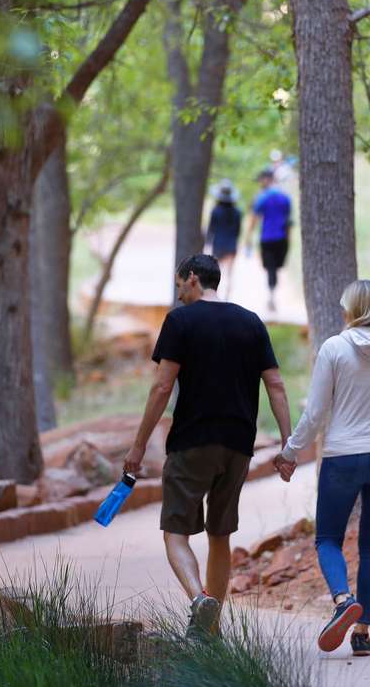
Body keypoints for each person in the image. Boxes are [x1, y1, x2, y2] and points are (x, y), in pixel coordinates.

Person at [124, 254, 292, 637]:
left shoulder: (180, 321)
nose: (178, 291)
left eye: (180, 283)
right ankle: (210, 631)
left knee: (175, 532)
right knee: (220, 535)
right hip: (237, 445)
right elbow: (276, 385)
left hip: (191, 443)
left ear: (194, 279)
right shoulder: (251, 322)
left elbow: (163, 386)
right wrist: (287, 444)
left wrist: (138, 446)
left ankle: (199, 600)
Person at [273, 280, 370, 657]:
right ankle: (361, 634)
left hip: (343, 456)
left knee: (328, 538)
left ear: (353, 309)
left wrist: (290, 452)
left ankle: (343, 599)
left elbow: (316, 412)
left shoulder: (335, 348)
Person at [244, 167, 292, 313]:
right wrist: (288, 240)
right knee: (275, 268)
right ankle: (272, 295)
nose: (260, 182)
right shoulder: (285, 197)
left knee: (270, 267)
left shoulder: (263, 197)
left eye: (261, 180)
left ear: (267, 179)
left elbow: (254, 216)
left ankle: (271, 295)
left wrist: (249, 236)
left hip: (267, 237)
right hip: (282, 238)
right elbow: (289, 220)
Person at [205, 179, 242, 298]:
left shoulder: (215, 211)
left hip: (218, 245)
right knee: (229, 273)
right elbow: (238, 231)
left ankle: (217, 296)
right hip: (231, 245)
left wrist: (207, 243)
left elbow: (211, 230)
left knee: (217, 272)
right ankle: (227, 297)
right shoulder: (237, 212)